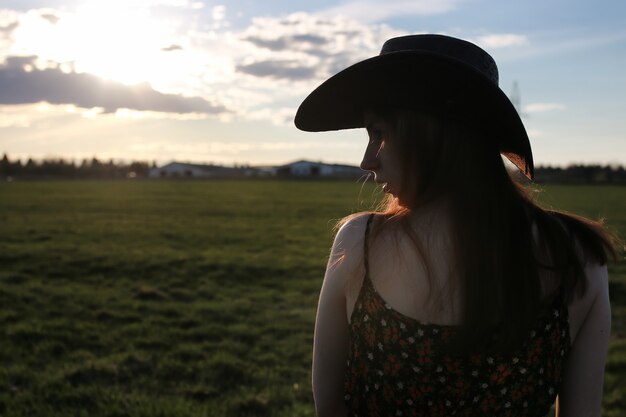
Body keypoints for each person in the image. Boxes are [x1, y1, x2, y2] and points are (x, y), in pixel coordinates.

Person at [294, 34, 616, 417]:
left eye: (378, 133)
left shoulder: (359, 243)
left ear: (430, 131)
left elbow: (329, 407)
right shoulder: (579, 257)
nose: (367, 160)